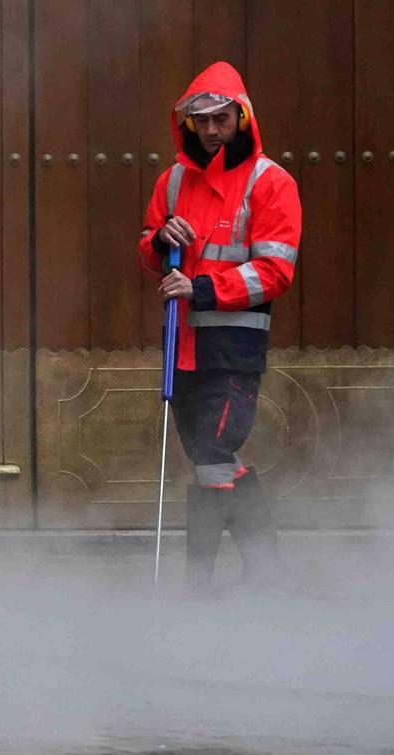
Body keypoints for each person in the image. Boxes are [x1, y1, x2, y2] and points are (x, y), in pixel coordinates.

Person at [136, 61, 302, 595]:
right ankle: (267, 571)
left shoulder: (270, 182)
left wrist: (201, 288)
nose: (210, 130)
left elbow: (275, 270)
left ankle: (199, 585)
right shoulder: (173, 180)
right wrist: (162, 241)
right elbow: (147, 252)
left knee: (212, 455)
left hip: (233, 347)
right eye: (201, 120)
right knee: (214, 462)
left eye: (221, 118)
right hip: (180, 345)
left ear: (242, 116)